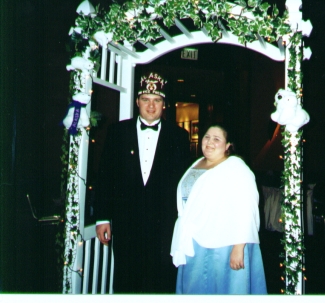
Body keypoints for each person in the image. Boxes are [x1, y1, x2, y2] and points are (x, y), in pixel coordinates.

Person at [95, 72, 191, 293]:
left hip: (163, 226)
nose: (151, 106)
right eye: (146, 100)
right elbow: (105, 176)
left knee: (161, 281)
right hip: (126, 222)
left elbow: (184, 183)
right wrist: (102, 217)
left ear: (164, 105)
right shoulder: (118, 131)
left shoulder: (179, 136)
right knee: (126, 280)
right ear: (137, 101)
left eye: (157, 100)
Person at [170, 124, 267, 294]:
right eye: (207, 137)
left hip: (225, 245)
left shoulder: (236, 167)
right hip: (195, 242)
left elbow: (248, 207)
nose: (209, 142)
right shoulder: (196, 163)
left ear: (228, 145)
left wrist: (239, 247)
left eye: (217, 139)